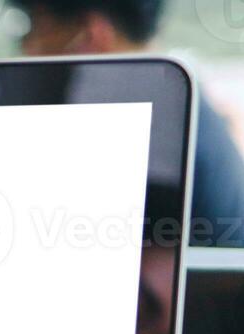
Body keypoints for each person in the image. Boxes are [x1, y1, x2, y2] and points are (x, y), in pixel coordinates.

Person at [15, 0, 244, 246]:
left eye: (36, 27)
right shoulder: (173, 97)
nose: (27, 48)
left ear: (91, 33)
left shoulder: (149, 111)